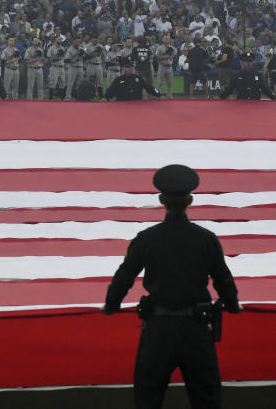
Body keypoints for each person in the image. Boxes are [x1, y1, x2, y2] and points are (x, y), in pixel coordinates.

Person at [103, 164, 241, 409]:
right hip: (197, 331)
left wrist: (111, 306)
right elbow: (224, 281)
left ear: (161, 199)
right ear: (190, 200)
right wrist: (233, 306)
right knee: (206, 400)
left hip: (158, 331)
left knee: (148, 399)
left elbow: (123, 278)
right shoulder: (206, 239)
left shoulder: (146, 239)